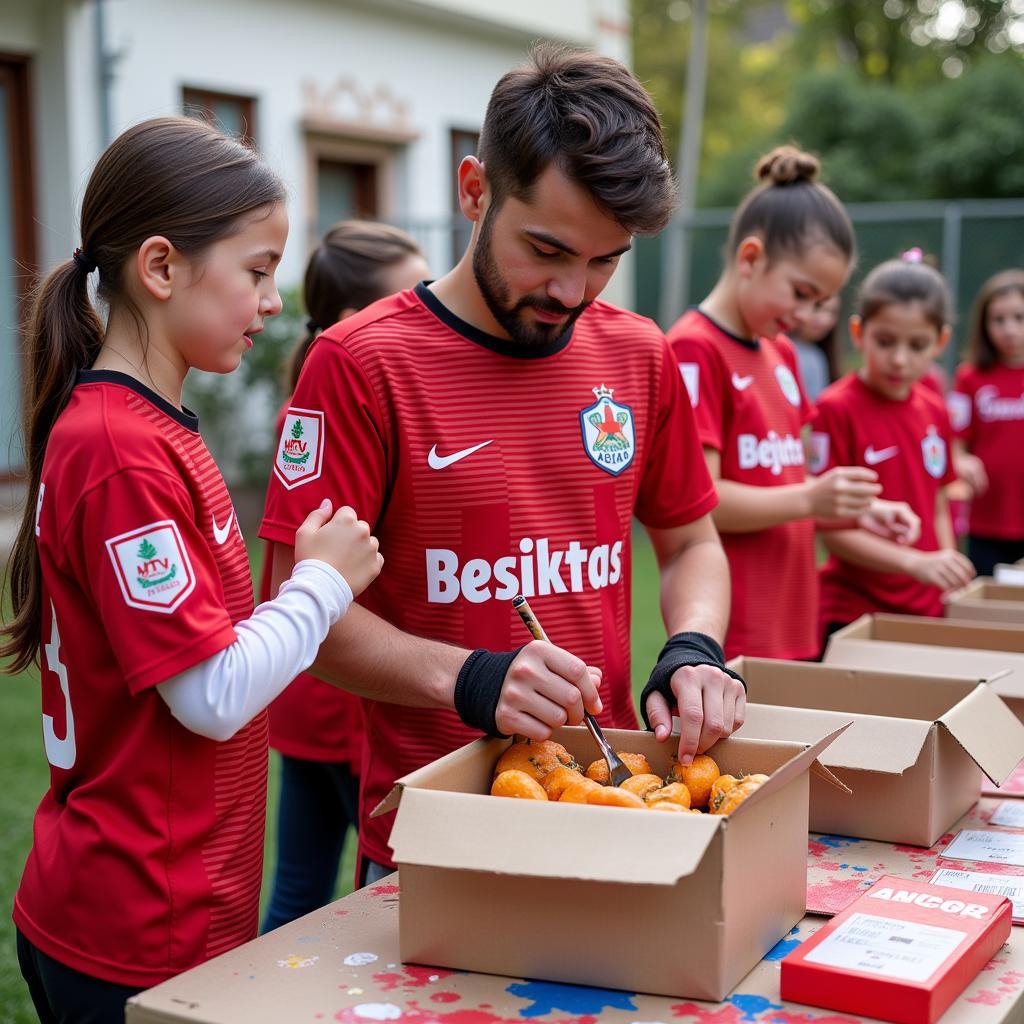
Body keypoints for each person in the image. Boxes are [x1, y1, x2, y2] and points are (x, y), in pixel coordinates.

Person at [260, 44, 746, 887]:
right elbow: (302, 616)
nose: (573, 292)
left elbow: (692, 541)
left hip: (605, 814)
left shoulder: (640, 355)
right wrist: (470, 678)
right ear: (474, 189)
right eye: (549, 250)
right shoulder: (360, 363)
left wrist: (695, 645)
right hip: (428, 839)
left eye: (605, 261)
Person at [0, 117, 382, 1023]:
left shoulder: (152, 430)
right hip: (131, 927)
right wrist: (322, 584)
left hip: (168, 915)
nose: (274, 301)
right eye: (256, 271)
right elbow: (208, 696)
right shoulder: (121, 449)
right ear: (162, 268)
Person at [668, 147, 919, 662]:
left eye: (821, 302)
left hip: (795, 617)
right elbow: (703, 501)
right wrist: (812, 499)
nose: (807, 315)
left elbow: (784, 480)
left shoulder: (781, 351)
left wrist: (861, 508)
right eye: (801, 293)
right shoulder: (694, 348)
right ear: (751, 258)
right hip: (734, 629)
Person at [261, 222, 428, 931]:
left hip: (311, 698)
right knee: (367, 897)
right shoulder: (331, 404)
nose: (424, 309)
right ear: (349, 323)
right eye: (410, 294)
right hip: (342, 703)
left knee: (300, 887)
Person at [812, 254, 976, 650]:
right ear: (858, 332)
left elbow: (938, 503)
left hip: (926, 609)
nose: (899, 359)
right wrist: (915, 563)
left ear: (940, 342)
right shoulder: (835, 407)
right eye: (885, 342)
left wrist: (945, 567)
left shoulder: (935, 408)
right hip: (853, 613)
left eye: (917, 345)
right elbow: (831, 531)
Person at [947, 269, 1024, 575]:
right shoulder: (969, 377)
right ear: (984, 323)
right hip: (986, 520)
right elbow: (954, 442)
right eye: (999, 319)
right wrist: (961, 459)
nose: (1009, 329)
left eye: (1019, 317)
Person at [790, 293, 841, 402]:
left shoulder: (817, 356)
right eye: (818, 308)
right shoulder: (777, 349)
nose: (825, 320)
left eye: (832, 312)